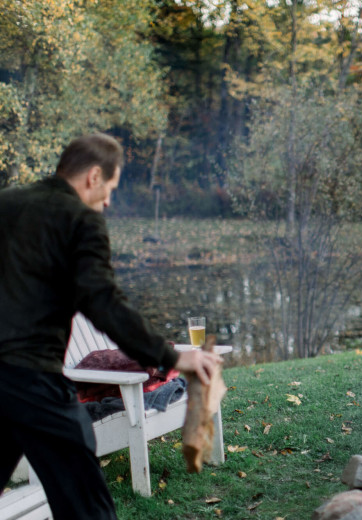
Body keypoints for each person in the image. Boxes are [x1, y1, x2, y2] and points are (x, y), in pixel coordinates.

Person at [0, 133, 222, 519]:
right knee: (87, 503)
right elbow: (104, 304)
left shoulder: (5, 204)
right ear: (94, 175)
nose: (108, 201)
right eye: (111, 188)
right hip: (32, 378)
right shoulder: (80, 220)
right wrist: (171, 357)